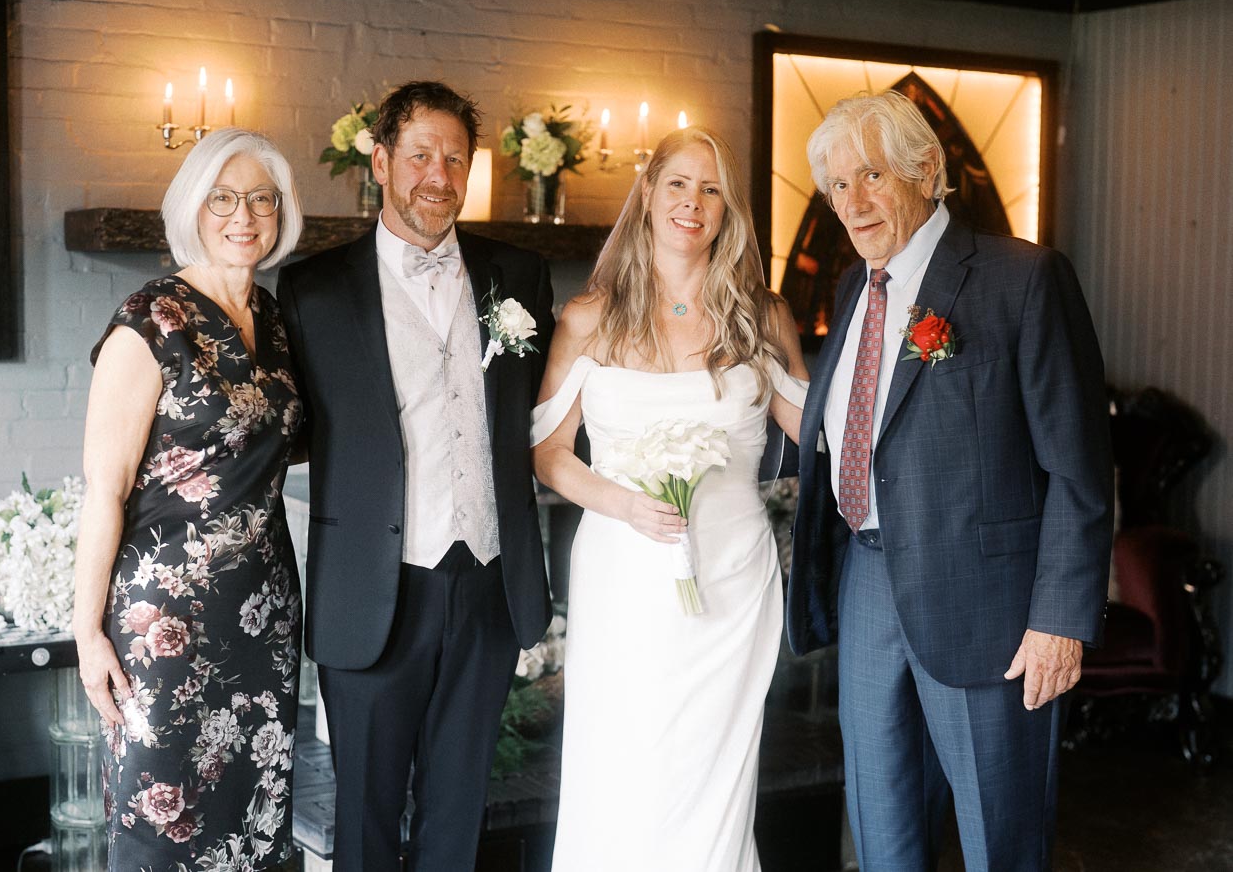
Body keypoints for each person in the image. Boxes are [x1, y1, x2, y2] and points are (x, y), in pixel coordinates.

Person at [787, 90, 1112, 870]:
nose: (852, 202)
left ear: (926, 169)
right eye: (836, 186)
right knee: (880, 824)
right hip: (866, 583)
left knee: (999, 836)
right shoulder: (848, 292)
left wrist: (1060, 620)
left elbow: (1079, 467)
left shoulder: (1023, 278)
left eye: (870, 175)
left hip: (991, 609)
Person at [276, 80, 555, 872]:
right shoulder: (312, 288)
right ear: (381, 159)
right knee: (362, 819)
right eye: (422, 154)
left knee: (458, 812)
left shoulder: (518, 277)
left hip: (489, 583)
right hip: (372, 586)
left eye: (456, 157)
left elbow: (553, 410)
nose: (440, 174)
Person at [531, 126, 809, 872]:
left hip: (731, 575)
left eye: (711, 188)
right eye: (678, 183)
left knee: (714, 770)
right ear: (648, 193)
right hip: (625, 571)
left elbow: (819, 436)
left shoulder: (763, 317)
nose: (693, 202)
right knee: (626, 756)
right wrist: (622, 504)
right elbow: (550, 455)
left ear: (728, 210)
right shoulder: (590, 317)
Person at [72, 128, 306, 868]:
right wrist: (86, 633)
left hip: (263, 610)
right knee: (161, 818)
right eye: (223, 198)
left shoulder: (274, 319)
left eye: (261, 199)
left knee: (255, 816)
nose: (244, 216)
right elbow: (104, 490)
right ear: (192, 209)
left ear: (282, 212)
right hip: (162, 622)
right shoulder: (150, 320)